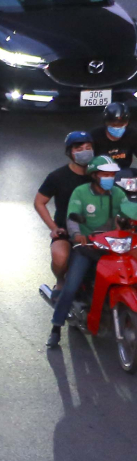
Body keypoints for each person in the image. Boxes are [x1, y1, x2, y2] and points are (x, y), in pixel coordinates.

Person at [40, 156, 137, 349]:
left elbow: (128, 211)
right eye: (105, 174)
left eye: (112, 174)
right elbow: (72, 217)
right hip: (87, 247)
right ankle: (56, 328)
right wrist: (77, 235)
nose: (109, 177)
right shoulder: (81, 192)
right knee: (71, 285)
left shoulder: (117, 193)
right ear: (94, 175)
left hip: (112, 246)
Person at [37, 131, 96, 281]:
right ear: (70, 152)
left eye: (88, 148)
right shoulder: (57, 177)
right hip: (67, 231)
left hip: (98, 230)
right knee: (60, 258)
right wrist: (54, 228)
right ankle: (61, 281)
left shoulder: (99, 174)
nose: (84, 152)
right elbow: (39, 202)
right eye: (79, 149)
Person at [94, 103, 134, 172]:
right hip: (100, 172)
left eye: (121, 124)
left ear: (127, 123)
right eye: (113, 124)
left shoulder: (132, 135)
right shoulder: (95, 136)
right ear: (106, 123)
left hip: (124, 172)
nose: (117, 127)